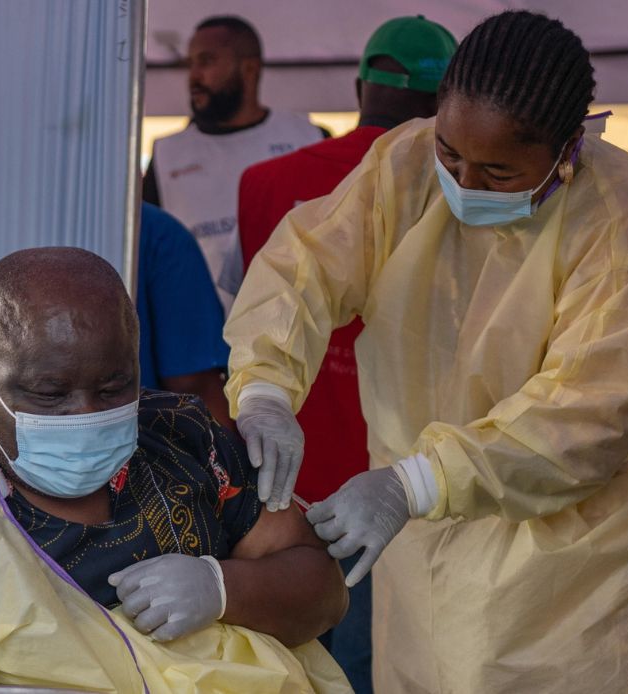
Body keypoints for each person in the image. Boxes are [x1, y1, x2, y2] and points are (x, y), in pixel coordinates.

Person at [224, 10, 628, 693]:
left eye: (497, 172)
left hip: (589, 568)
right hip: (426, 540)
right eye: (451, 156)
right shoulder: (405, 164)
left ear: (567, 149)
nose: (463, 185)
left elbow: (585, 420)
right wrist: (263, 389)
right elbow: (304, 267)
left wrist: (415, 483)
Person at [0, 248, 349, 693]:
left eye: (114, 386)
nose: (87, 414)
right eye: (51, 394)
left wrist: (224, 587)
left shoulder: (179, 434)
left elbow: (322, 591)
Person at [235, 15, 456, 693]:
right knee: (378, 668)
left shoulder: (264, 182)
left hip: (283, 473)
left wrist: (264, 397)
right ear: (447, 101)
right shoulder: (456, 189)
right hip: (406, 482)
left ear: (360, 82)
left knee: (277, 663)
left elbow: (275, 311)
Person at [142, 15, 326, 313]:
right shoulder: (167, 154)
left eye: (207, 61)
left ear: (250, 69)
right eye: (190, 63)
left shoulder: (307, 137)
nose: (194, 76)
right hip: (199, 340)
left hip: (291, 329)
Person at [136, 202, 232, 428]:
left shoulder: (154, 232)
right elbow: (192, 384)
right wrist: (230, 458)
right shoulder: (155, 230)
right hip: (141, 448)